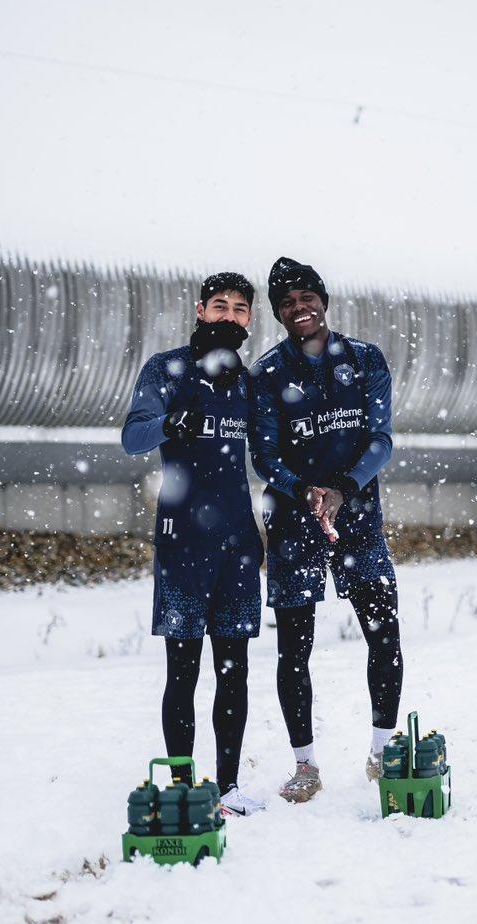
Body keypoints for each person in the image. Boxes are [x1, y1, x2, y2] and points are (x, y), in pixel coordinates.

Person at [248, 257, 403, 803]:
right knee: (294, 648)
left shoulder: (363, 360)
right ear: (278, 313)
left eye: (306, 296)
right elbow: (263, 454)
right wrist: (304, 491)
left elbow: (380, 440)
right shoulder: (266, 373)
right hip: (294, 521)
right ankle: (305, 765)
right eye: (287, 301)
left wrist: (343, 487)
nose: (299, 307)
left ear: (324, 300)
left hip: (357, 517)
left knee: (383, 634)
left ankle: (384, 751)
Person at [122, 272, 264, 815]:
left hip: (238, 547)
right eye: (220, 306)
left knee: (235, 670)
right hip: (182, 547)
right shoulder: (167, 369)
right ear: (201, 309)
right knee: (183, 671)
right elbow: (133, 436)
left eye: (240, 309)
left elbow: (270, 453)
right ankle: (182, 784)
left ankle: (227, 788)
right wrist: (170, 422)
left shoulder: (247, 384)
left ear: (249, 319)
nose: (229, 316)